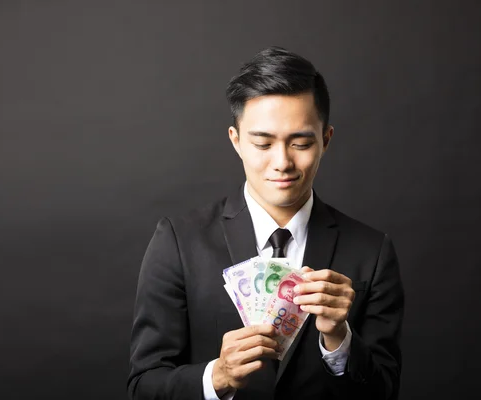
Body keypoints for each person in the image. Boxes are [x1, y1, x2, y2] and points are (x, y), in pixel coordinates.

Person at [127, 46, 404, 400]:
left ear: (326, 140)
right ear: (237, 141)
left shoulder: (371, 252)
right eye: (263, 143)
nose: (282, 162)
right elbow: (143, 386)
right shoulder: (179, 242)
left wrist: (340, 339)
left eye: (301, 142)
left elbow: (386, 391)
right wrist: (218, 377)